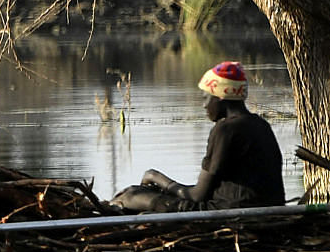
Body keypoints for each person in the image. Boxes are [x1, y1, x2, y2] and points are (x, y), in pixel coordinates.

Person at [112, 61, 286, 213]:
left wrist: (156, 176)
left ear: (220, 96)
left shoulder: (225, 129)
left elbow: (197, 196)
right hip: (265, 210)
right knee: (148, 194)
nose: (204, 105)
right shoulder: (261, 125)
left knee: (131, 195)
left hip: (231, 213)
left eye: (206, 98)